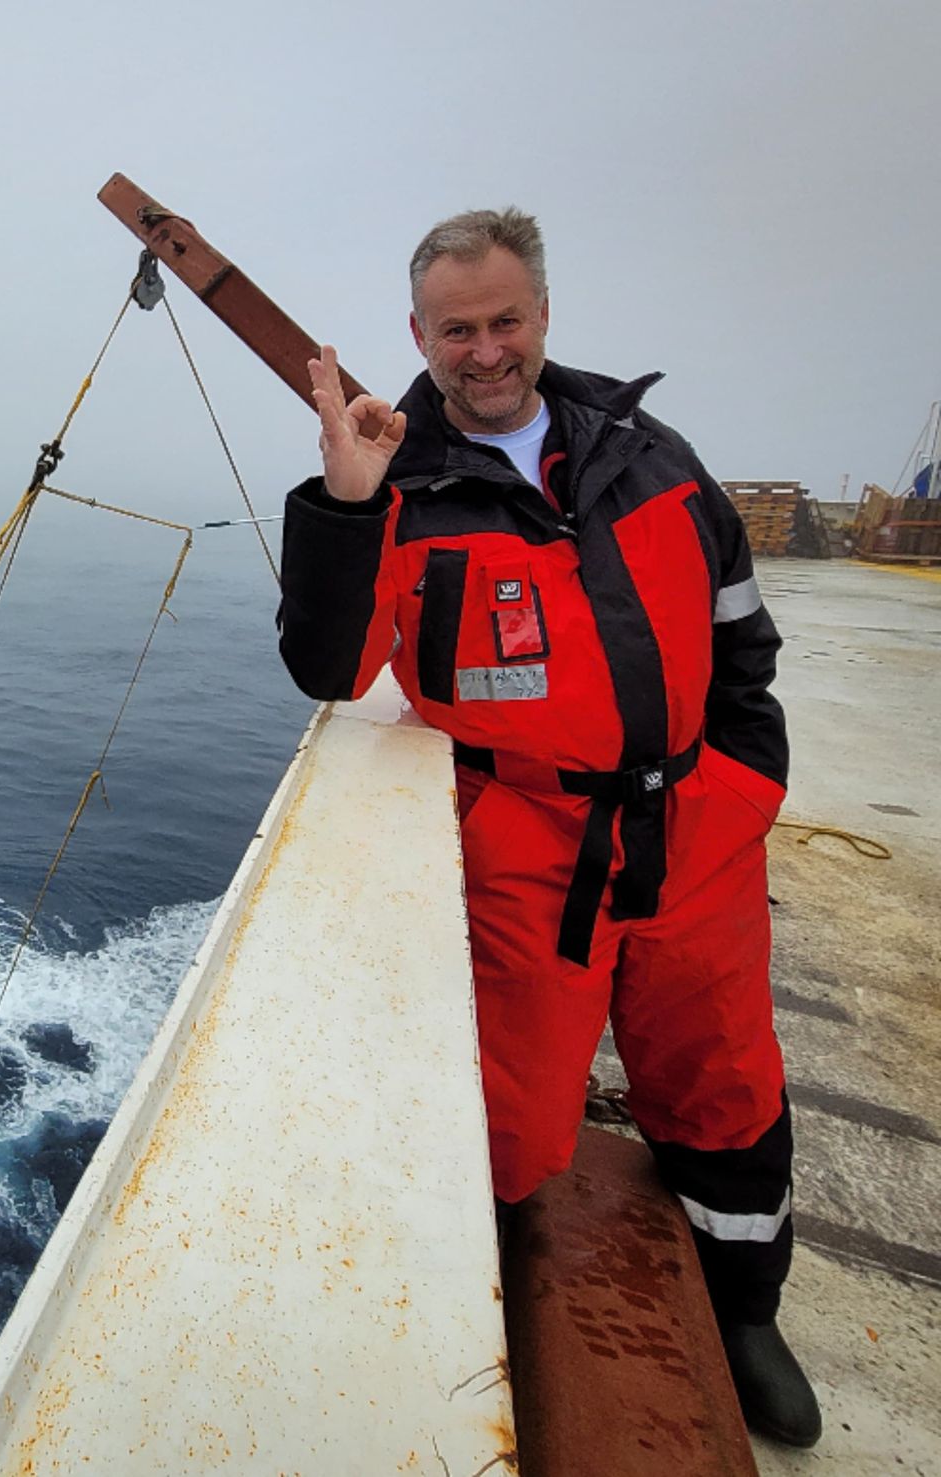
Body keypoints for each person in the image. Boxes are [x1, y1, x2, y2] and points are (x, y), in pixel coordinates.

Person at [275, 207, 820, 1447]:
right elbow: (325, 663)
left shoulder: (650, 454)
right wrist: (348, 501)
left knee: (723, 1083)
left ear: (541, 315)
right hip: (526, 846)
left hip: (693, 835)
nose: (482, 349)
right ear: (416, 334)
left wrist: (741, 788)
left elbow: (742, 637)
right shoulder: (398, 481)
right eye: (454, 328)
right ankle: (493, 1313)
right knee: (510, 1116)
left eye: (503, 319)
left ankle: (746, 1312)